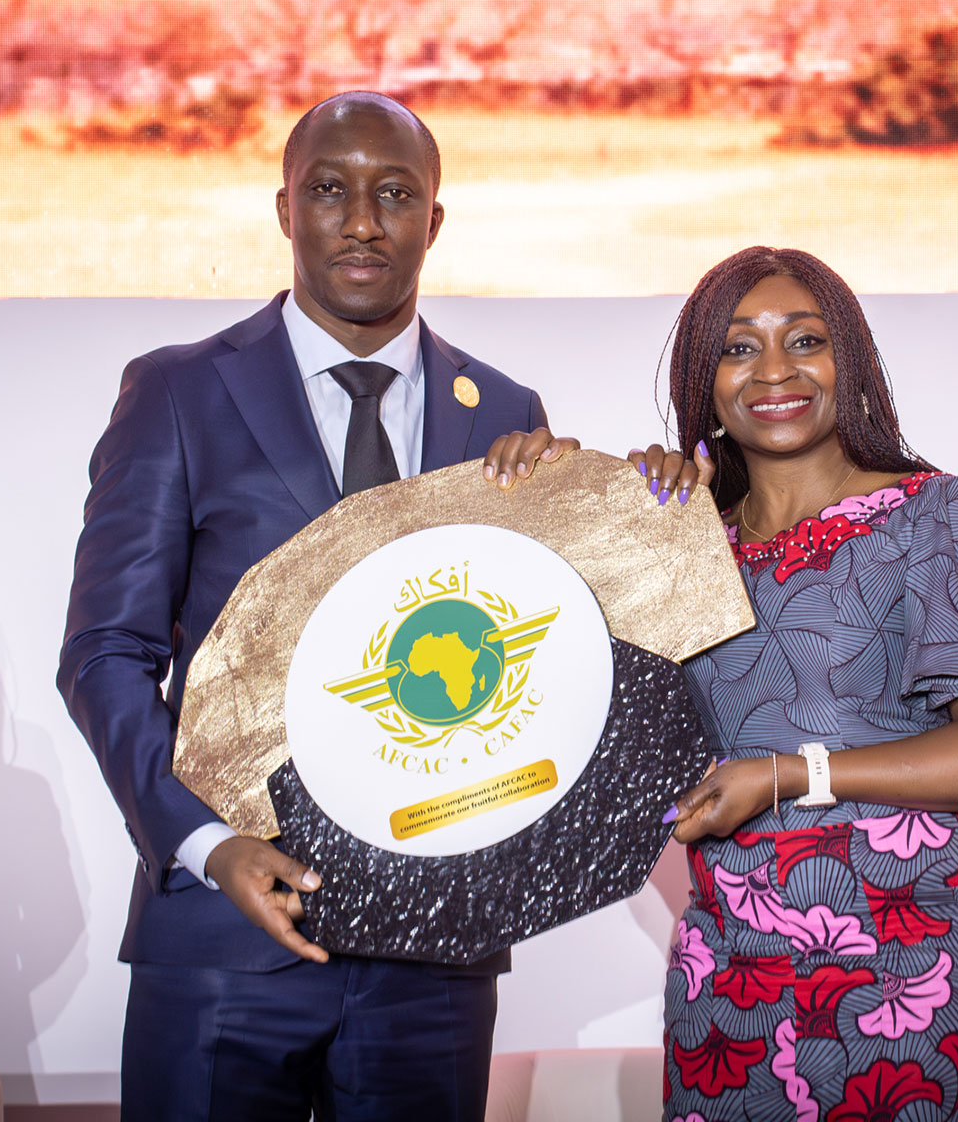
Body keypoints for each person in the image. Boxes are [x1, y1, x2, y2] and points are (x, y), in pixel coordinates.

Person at [57, 91, 573, 1122]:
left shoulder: (506, 414)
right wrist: (208, 846)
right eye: (331, 190)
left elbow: (537, 660)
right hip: (223, 934)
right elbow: (106, 654)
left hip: (434, 948)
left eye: (396, 195)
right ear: (285, 209)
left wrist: (634, 500)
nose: (364, 222)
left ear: (434, 220)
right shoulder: (179, 393)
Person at [633, 247, 958, 1119]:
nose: (774, 370)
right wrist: (584, 501)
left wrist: (792, 774)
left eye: (806, 339)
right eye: (738, 348)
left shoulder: (934, 515)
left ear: (852, 362)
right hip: (729, 979)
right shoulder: (685, 547)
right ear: (704, 384)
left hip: (913, 965)